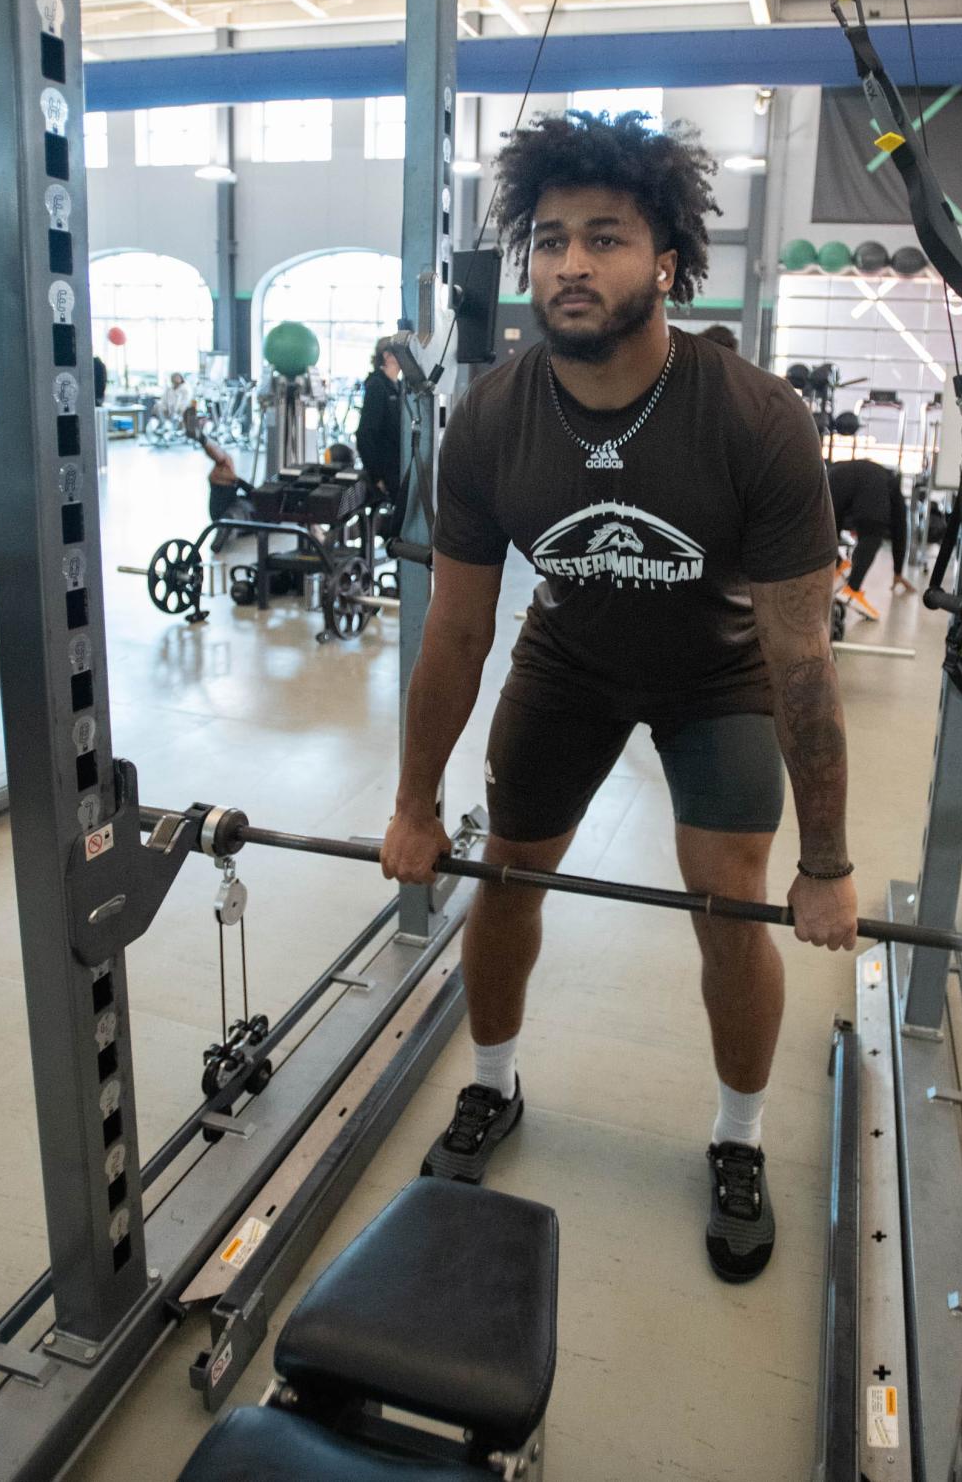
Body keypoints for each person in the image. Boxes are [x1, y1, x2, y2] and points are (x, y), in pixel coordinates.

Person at [381, 111, 857, 1284]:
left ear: (668, 264)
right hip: (569, 667)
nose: (571, 265)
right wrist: (413, 802)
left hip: (721, 675)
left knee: (731, 904)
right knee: (505, 878)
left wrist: (832, 861)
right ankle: (492, 1086)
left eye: (605, 238)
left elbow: (801, 659)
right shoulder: (490, 417)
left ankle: (737, 1138)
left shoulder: (755, 419)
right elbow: (455, 626)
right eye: (550, 241)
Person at [826, 458, 915, 621]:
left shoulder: (875, 475)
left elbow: (830, 526)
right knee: (873, 533)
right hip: (856, 484)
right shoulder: (891, 485)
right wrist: (898, 571)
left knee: (829, 527)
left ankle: (838, 565)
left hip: (832, 477)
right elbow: (900, 528)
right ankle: (852, 589)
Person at [356, 339, 405, 507]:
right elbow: (365, 434)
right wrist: (377, 476)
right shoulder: (377, 386)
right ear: (387, 356)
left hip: (400, 466)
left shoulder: (399, 386)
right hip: (387, 470)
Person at [200, 425, 254, 553]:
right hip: (226, 503)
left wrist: (237, 480)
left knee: (236, 513)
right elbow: (252, 492)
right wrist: (236, 480)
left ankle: (201, 439)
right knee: (224, 460)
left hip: (228, 510)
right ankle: (201, 439)